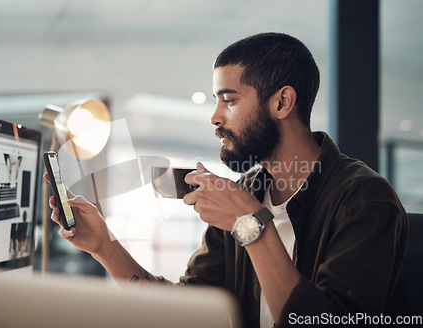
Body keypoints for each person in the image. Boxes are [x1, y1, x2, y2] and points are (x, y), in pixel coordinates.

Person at [46, 33, 408, 328]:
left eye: (229, 100)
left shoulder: (365, 200)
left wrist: (250, 224)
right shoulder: (246, 192)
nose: (215, 116)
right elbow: (184, 312)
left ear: (282, 102)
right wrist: (104, 247)